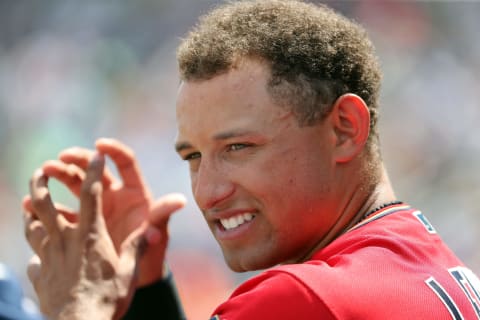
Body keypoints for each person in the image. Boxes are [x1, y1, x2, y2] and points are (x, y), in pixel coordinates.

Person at [21, 0, 480, 319]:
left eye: (238, 148)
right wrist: (144, 291)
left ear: (344, 129)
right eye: (194, 156)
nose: (206, 192)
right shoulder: (436, 261)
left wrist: (76, 309)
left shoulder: (301, 298)